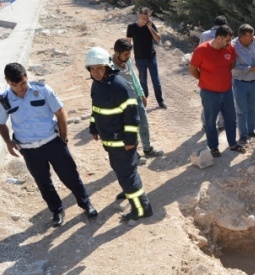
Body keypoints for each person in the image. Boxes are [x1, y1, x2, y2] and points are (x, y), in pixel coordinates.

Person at [0, 63, 97, 228]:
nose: (20, 88)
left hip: (52, 142)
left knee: (70, 175)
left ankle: (86, 204)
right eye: (14, 85)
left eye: (22, 83)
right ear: (7, 82)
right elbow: (1, 123)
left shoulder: (43, 90)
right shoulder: (4, 99)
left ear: (26, 77)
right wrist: (8, 142)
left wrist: (64, 139)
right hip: (29, 149)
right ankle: (57, 210)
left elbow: (60, 113)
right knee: (43, 182)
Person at [85, 46, 153, 220]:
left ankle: (141, 209)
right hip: (110, 142)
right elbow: (97, 110)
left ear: (107, 66)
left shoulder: (119, 86)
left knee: (127, 176)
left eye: (99, 68)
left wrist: (130, 140)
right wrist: (93, 127)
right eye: (92, 69)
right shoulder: (97, 85)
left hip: (123, 143)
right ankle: (129, 191)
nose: (96, 72)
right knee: (120, 171)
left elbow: (132, 116)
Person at [189, 25, 246, 157]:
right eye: (227, 40)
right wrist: (205, 80)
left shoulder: (229, 48)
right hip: (209, 93)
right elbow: (192, 70)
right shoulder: (201, 50)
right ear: (219, 38)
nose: (229, 43)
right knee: (211, 121)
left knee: (231, 119)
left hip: (227, 91)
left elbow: (232, 62)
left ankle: (233, 144)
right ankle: (213, 147)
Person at [112, 38, 164, 161]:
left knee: (144, 123)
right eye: (126, 54)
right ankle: (133, 153)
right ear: (117, 53)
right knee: (129, 128)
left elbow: (134, 77)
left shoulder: (127, 60)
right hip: (123, 103)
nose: (128, 57)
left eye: (129, 54)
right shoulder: (109, 65)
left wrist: (141, 94)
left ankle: (147, 148)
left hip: (136, 98)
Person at [232, 24, 255, 144]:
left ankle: (251, 131)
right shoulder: (232, 46)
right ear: (242, 37)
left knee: (252, 108)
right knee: (241, 110)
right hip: (240, 83)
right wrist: (253, 69)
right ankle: (242, 135)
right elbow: (234, 68)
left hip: (254, 82)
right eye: (250, 36)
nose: (253, 38)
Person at [126, 7, 167, 109]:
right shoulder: (131, 27)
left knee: (156, 80)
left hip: (151, 57)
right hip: (139, 58)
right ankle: (144, 100)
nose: (144, 20)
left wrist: (150, 28)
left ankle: (160, 101)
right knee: (142, 81)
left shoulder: (150, 26)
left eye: (146, 18)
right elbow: (128, 42)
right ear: (138, 16)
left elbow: (158, 39)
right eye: (142, 18)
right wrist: (127, 56)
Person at [199, 15, 227, 130]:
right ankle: (221, 123)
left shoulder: (204, 35)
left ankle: (206, 123)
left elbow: (198, 52)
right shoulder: (226, 36)